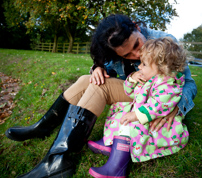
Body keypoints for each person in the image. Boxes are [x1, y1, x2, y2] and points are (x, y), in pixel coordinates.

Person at [5, 14, 197, 178]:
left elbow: (188, 83)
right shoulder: (113, 50)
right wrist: (97, 68)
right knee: (85, 80)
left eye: (137, 45)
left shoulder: (165, 41)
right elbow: (107, 68)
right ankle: (43, 127)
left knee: (98, 88)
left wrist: (177, 106)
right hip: (136, 90)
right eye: (127, 55)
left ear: (137, 27)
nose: (136, 55)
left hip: (154, 94)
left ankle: (59, 162)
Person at [88, 37, 189, 178]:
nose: (139, 66)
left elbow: (158, 106)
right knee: (120, 110)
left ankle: (116, 169)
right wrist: (132, 79)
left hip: (158, 123)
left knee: (129, 125)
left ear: (162, 68)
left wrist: (135, 115)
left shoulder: (167, 85)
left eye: (144, 64)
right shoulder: (149, 78)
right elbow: (129, 92)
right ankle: (110, 142)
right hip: (144, 113)